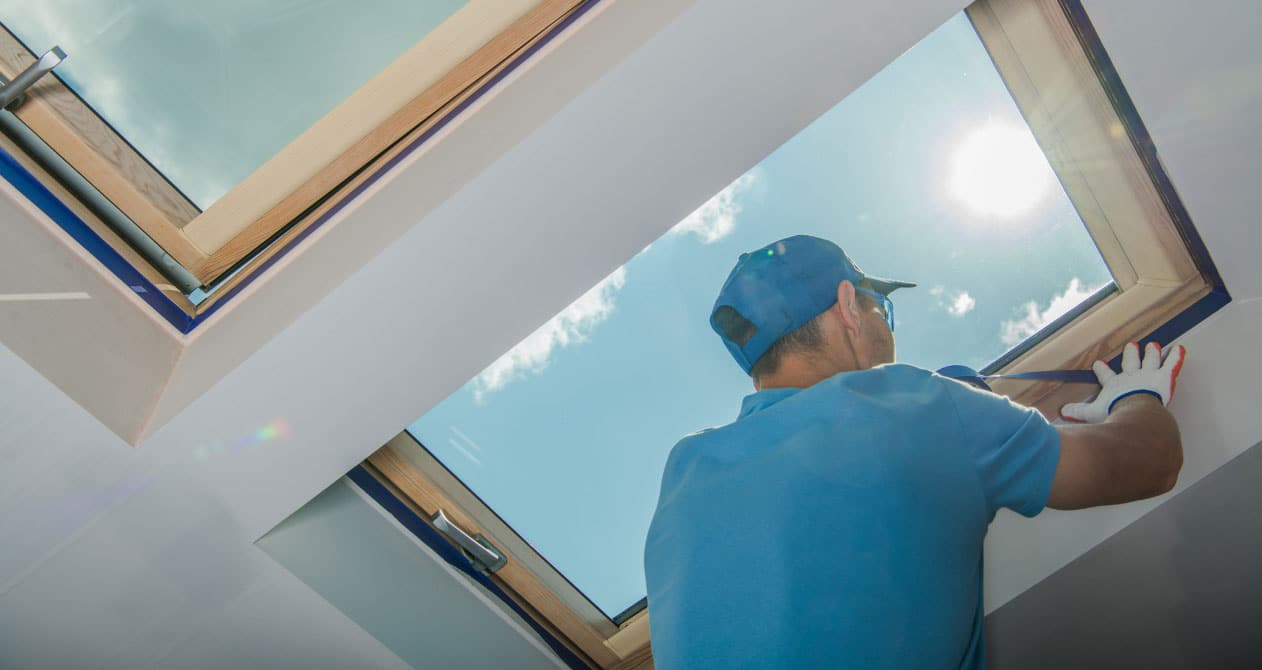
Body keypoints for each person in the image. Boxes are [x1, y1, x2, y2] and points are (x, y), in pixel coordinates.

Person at [643, 234, 1185, 669]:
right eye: (882, 308)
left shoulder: (684, 473)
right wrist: (1136, 396)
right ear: (849, 307)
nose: (886, 328)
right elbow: (1148, 462)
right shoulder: (911, 404)